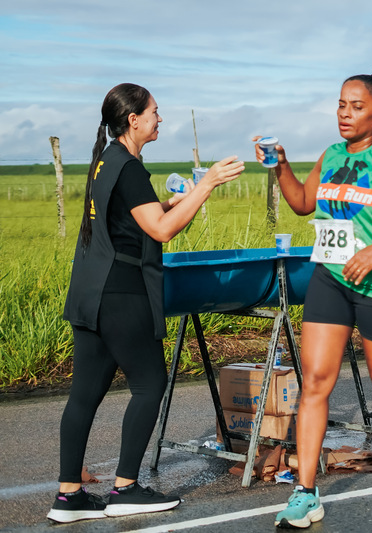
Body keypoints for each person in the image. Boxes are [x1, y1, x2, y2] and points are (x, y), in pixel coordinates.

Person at [254, 67, 372, 529]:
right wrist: (281, 166)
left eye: (357, 106)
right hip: (331, 278)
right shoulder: (331, 153)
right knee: (316, 382)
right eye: (341, 104)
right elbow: (304, 202)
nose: (345, 114)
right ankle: (305, 492)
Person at [47, 83, 244, 524]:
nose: (161, 118)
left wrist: (174, 200)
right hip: (121, 292)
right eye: (155, 112)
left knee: (83, 396)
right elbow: (160, 231)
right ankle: (126, 488)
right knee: (149, 386)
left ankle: (68, 498)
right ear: (133, 119)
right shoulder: (130, 167)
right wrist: (207, 184)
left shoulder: (107, 160)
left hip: (88, 291)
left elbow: (132, 216)